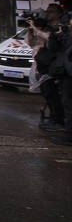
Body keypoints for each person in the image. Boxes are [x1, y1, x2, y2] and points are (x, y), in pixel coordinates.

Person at [27, 4, 65, 130]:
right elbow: (32, 43)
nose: (48, 14)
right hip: (43, 65)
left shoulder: (60, 27)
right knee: (47, 93)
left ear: (59, 13)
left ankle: (58, 120)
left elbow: (49, 38)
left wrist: (35, 27)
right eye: (47, 11)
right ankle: (54, 117)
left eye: (51, 11)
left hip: (55, 65)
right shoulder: (45, 26)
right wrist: (30, 30)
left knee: (54, 94)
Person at [48, 15, 72, 146]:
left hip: (69, 73)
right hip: (66, 73)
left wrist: (64, 34)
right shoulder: (65, 34)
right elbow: (54, 48)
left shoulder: (69, 35)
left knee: (69, 105)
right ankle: (68, 134)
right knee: (67, 104)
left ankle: (69, 136)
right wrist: (54, 35)